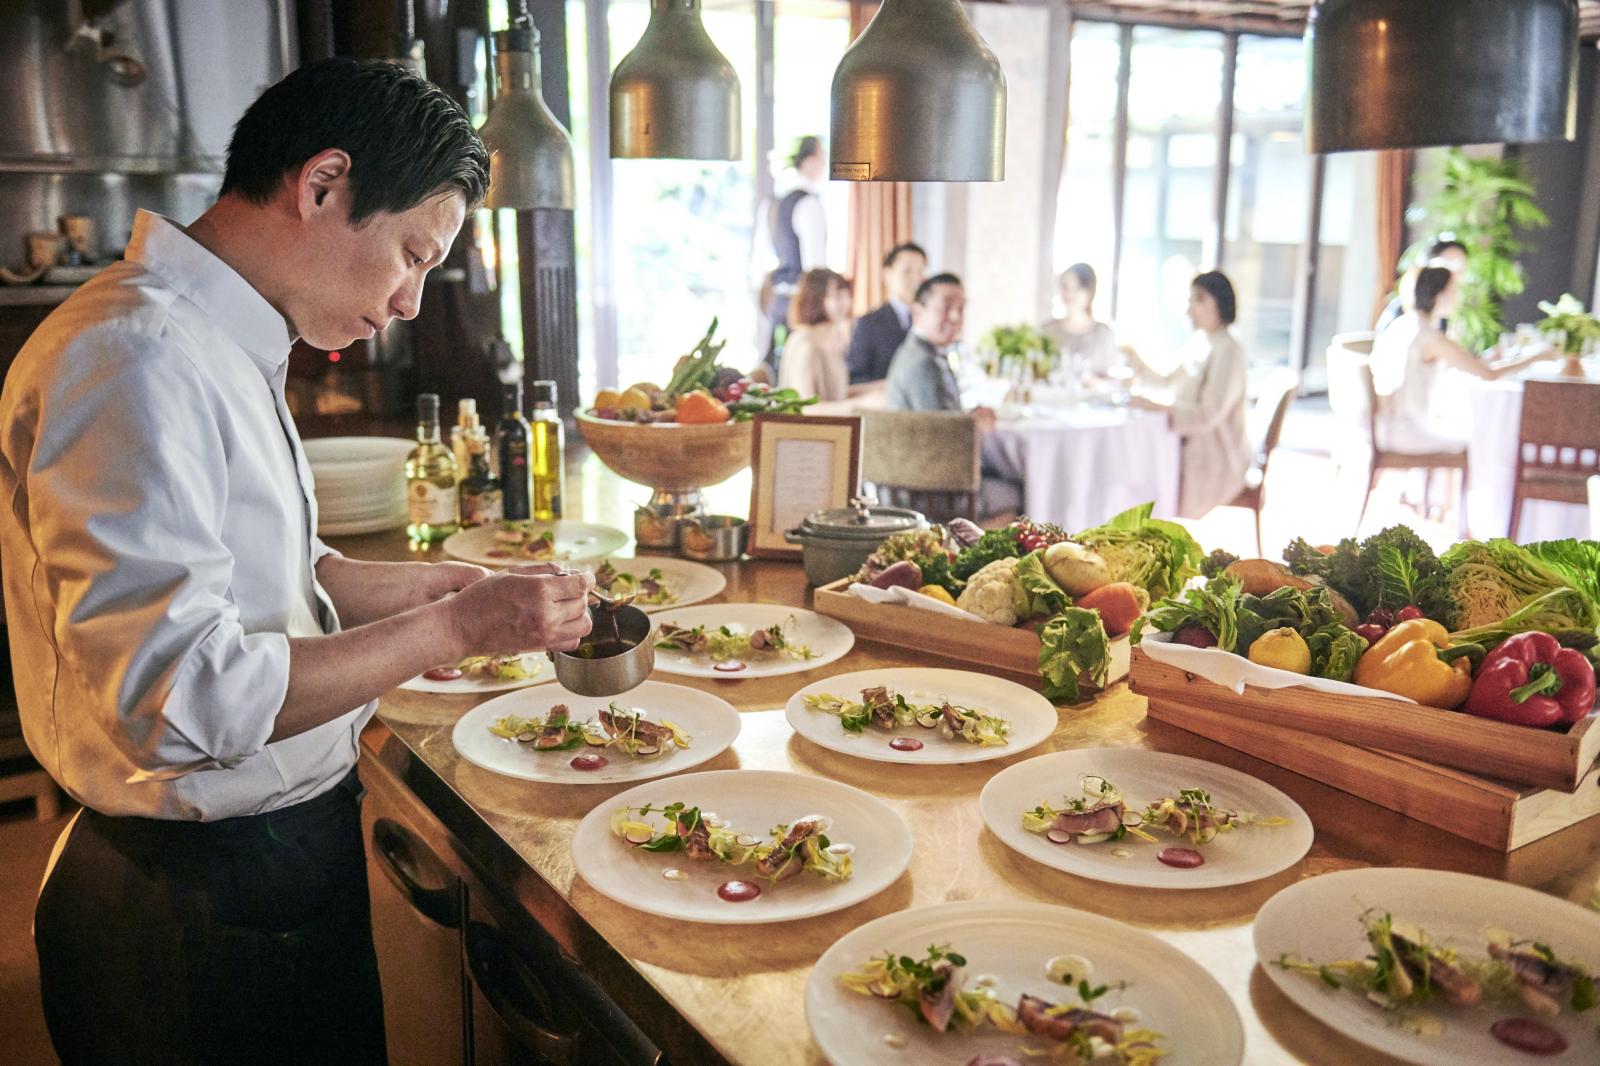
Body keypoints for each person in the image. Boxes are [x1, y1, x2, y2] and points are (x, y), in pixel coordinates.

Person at [0, 59, 595, 1065]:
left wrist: (387, 587)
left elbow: (235, 556)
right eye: (412, 253)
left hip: (262, 874)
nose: (409, 302)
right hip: (196, 915)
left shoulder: (212, 336)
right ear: (321, 185)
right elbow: (177, 696)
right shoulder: (136, 356)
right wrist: (453, 628)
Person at [1370, 266, 1547, 453]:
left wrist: (1488, 358)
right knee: (1485, 441)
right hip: (1405, 430)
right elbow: (1488, 374)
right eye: (1454, 290)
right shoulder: (1429, 335)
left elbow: (1470, 365)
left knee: (1474, 433)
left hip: (1387, 425)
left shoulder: (1404, 325)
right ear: (1439, 295)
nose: (1457, 298)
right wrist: (1538, 357)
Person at [884, 273, 1023, 497]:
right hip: (926, 490)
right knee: (1018, 489)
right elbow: (940, 435)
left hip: (924, 479)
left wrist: (970, 416)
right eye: (946, 306)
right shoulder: (922, 362)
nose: (956, 316)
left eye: (961, 308)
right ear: (918, 311)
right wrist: (974, 423)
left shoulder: (923, 351)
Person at [1130, 271, 1252, 518]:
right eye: (1190, 301)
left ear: (1220, 301)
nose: (1190, 309)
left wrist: (1155, 407)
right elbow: (1167, 382)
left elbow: (1207, 415)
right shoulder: (1200, 343)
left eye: (1199, 299)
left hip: (1216, 458)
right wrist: (1135, 360)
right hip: (1191, 446)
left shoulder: (1228, 351)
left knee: (1139, 476)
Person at [764, 135, 828, 366]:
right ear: (809, 161)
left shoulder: (776, 202)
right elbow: (815, 268)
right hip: (801, 304)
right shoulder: (809, 203)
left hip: (779, 300)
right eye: (822, 158)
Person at [847, 241, 927, 385]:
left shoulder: (931, 321)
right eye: (907, 271)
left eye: (920, 271)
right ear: (888, 274)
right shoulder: (868, 324)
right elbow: (856, 377)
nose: (916, 279)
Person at [778, 268, 852, 402]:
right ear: (815, 299)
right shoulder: (805, 344)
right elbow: (807, 409)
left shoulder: (830, 340)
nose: (845, 302)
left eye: (846, 295)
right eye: (836, 296)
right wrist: (862, 403)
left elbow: (839, 395)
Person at [1040, 263, 1121, 375]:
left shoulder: (1103, 333)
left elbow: (1113, 380)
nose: (1069, 293)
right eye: (1065, 287)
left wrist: (1095, 383)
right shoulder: (1047, 330)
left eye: (1077, 288)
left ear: (1089, 292)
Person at [1375, 237, 1469, 334]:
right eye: (1449, 266)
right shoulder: (1402, 312)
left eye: (1461, 269)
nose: (1455, 275)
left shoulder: (1442, 318)